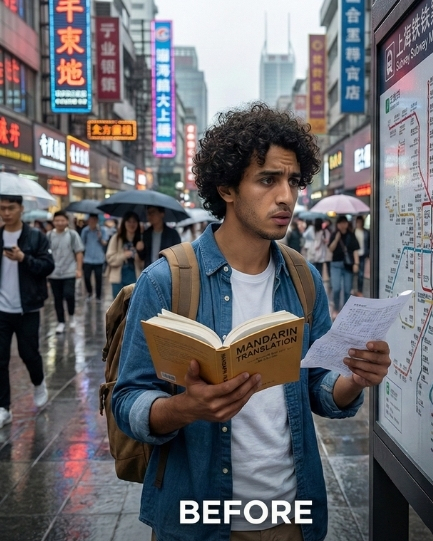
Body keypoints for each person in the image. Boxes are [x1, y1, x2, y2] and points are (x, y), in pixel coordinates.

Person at [113, 102, 392, 541]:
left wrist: (354, 377)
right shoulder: (167, 281)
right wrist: (184, 408)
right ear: (226, 187)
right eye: (268, 180)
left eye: (294, 181)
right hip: (199, 520)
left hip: (291, 516)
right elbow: (127, 400)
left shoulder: (303, 278)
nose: (286, 196)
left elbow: (318, 385)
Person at [0, 195, 55, 427]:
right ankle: (4, 407)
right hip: (2, 309)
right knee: (0, 358)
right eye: (2, 208)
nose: (6, 213)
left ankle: (39, 382)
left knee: (28, 353)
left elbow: (47, 267)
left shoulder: (36, 237)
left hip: (28, 308)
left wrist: (24, 258)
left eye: (11, 208)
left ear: (21, 209)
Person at [47, 210, 84, 334]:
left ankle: (72, 316)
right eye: (57, 220)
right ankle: (61, 322)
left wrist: (78, 269)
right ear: (53, 222)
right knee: (57, 298)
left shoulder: (72, 235)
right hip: (54, 273)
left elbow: (78, 252)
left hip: (69, 271)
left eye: (62, 220)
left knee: (69, 295)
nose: (60, 223)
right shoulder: (48, 236)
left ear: (67, 221)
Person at [105, 211, 145, 298]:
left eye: (134, 222)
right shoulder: (116, 238)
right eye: (129, 221)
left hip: (135, 278)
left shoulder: (141, 240)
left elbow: (143, 264)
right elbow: (110, 259)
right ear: (124, 223)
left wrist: (139, 251)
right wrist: (124, 255)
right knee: (119, 309)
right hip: (118, 279)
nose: (132, 224)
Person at [328, 215, 360, 312]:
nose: (342, 225)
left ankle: (346, 310)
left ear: (347, 224)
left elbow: (355, 250)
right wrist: (336, 239)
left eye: (344, 223)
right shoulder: (334, 234)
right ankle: (336, 308)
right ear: (337, 224)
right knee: (336, 288)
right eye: (340, 223)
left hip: (348, 265)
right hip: (336, 265)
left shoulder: (351, 235)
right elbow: (330, 249)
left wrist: (356, 263)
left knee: (347, 290)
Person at [80, 213, 108, 302]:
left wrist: (100, 238)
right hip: (87, 258)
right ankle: (89, 292)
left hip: (99, 259)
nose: (92, 222)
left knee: (98, 278)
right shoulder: (85, 231)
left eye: (94, 220)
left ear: (97, 220)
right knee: (87, 277)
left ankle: (98, 296)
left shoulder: (102, 230)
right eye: (90, 220)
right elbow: (82, 243)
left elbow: (105, 243)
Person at [307, 218, 328, 284]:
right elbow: (325, 242)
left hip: (312, 253)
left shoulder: (311, 230)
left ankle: (313, 284)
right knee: (319, 271)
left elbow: (305, 236)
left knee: (312, 271)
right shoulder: (323, 231)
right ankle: (318, 283)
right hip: (320, 255)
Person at [353, 215, 370, 296]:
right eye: (358, 222)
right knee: (354, 273)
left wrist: (368, 253)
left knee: (361, 274)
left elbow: (368, 243)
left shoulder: (366, 232)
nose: (359, 223)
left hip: (362, 254)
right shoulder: (353, 232)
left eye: (360, 222)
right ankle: (353, 289)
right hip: (354, 255)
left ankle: (360, 290)